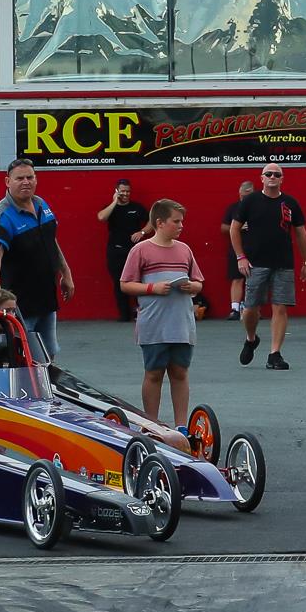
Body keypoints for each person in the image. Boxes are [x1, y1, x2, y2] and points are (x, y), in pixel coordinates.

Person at [118, 199, 204, 430]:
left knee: (180, 372)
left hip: (182, 325)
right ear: (160, 222)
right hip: (154, 325)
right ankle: (151, 424)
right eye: (176, 221)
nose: (181, 225)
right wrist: (152, 288)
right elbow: (125, 284)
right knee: (154, 373)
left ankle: (181, 426)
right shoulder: (140, 250)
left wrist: (193, 286)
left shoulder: (184, 249)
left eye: (181, 221)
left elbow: (199, 282)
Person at [0, 159, 74, 359]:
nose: (26, 182)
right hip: (19, 304)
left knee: (48, 354)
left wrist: (66, 272)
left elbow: (51, 241)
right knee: (21, 357)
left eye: (29, 177)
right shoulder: (0, 217)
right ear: (7, 181)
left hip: (46, 298)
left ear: (36, 179)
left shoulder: (41, 204)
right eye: (19, 178)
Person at [229, 163, 306, 371]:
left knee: (280, 307)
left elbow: (301, 233)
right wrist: (240, 257)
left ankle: (274, 354)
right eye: (268, 174)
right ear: (262, 178)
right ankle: (251, 338)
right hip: (255, 263)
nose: (272, 177)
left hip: (283, 264)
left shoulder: (290, 203)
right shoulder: (250, 201)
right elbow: (234, 229)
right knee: (250, 309)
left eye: (277, 174)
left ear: (282, 179)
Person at [97, 179, 150, 323]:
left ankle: (143, 313)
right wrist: (115, 201)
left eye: (128, 191)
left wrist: (142, 232)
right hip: (116, 251)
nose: (125, 194)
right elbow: (101, 217)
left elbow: (152, 221)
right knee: (119, 282)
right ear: (116, 191)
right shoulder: (110, 208)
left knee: (139, 281)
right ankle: (124, 316)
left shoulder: (137, 207)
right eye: (122, 191)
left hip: (135, 251)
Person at [223, 179, 253, 318]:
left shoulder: (258, 207)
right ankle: (235, 309)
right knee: (237, 278)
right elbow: (223, 228)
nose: (244, 198)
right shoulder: (233, 208)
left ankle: (251, 308)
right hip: (236, 248)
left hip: (255, 248)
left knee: (254, 279)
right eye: (242, 196)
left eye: (247, 196)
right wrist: (236, 227)